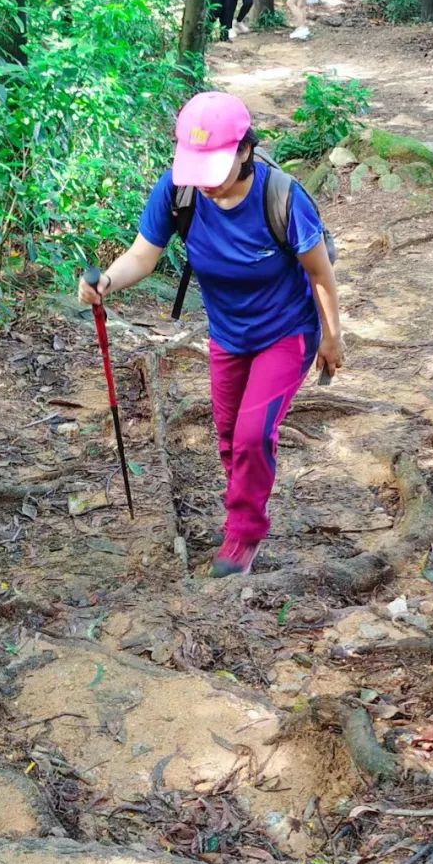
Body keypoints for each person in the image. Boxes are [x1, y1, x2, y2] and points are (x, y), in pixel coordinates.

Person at [78, 91, 344, 577]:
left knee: (251, 433)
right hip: (228, 333)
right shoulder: (178, 191)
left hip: (287, 332)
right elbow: (143, 254)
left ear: (244, 151)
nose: (205, 183)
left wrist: (332, 337)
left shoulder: (281, 198)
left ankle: (243, 534)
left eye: (214, 168)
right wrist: (107, 282)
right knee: (228, 436)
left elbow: (320, 275)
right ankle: (242, 502)